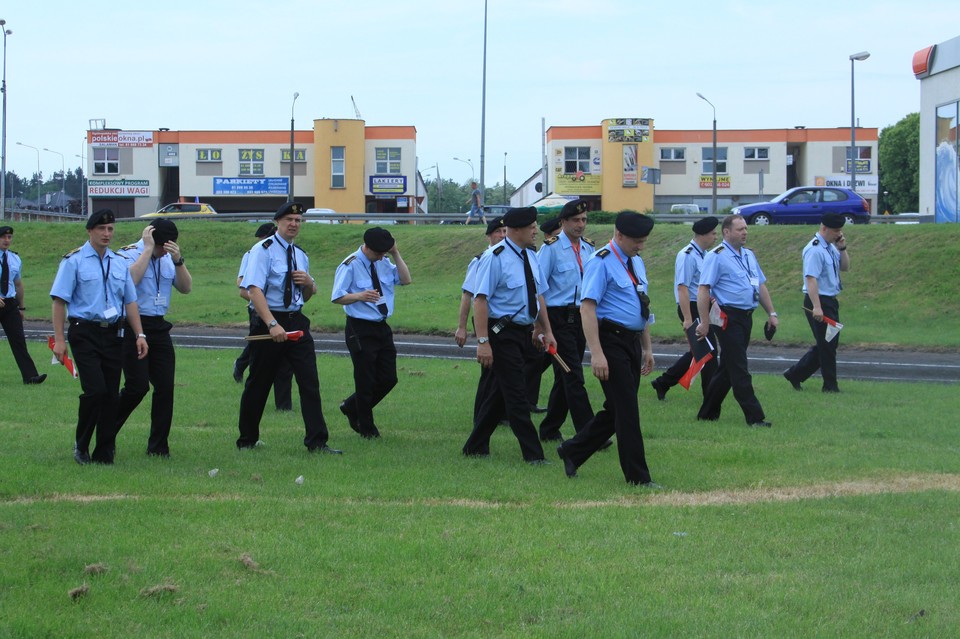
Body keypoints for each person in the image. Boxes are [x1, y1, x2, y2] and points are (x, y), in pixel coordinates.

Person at [556, 212, 661, 487]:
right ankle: (638, 477)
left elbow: (642, 305)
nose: (641, 246)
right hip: (610, 342)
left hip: (631, 341)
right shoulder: (600, 262)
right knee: (627, 410)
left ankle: (572, 450)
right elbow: (587, 309)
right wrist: (597, 354)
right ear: (619, 235)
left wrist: (647, 348)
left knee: (616, 408)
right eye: (637, 241)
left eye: (644, 241)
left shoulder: (635, 262)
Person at [236, 202, 341, 454]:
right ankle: (247, 440)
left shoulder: (301, 254)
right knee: (259, 383)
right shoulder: (263, 250)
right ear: (278, 222)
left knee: (309, 382)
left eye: (298, 220)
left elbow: (304, 297)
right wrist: (272, 323)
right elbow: (253, 290)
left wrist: (309, 283)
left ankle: (317, 442)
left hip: (296, 321)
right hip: (269, 320)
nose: (294, 224)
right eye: (289, 219)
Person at [50, 209, 149, 465]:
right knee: (95, 391)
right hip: (85, 332)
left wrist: (139, 334)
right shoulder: (73, 261)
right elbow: (59, 301)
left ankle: (104, 452)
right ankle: (81, 445)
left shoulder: (118, 262)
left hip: (114, 333)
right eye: (102, 229)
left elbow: (130, 301)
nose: (107, 234)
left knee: (111, 395)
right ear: (90, 231)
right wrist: (59, 340)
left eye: (110, 229)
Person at [462, 206, 555, 464]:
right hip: (501, 334)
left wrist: (544, 329)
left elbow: (538, 297)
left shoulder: (532, 256)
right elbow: (480, 301)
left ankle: (475, 445)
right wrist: (483, 342)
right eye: (531, 227)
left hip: (524, 332)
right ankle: (533, 454)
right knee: (516, 393)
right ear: (515, 230)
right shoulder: (495, 257)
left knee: (500, 393)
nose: (536, 230)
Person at [113, 219, 192, 457]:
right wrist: (147, 250)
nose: (161, 251)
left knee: (165, 388)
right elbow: (129, 283)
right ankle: (105, 429)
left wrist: (178, 260)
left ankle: (158, 447)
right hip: (133, 326)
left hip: (159, 328)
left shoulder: (169, 258)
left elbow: (186, 287)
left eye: (165, 247)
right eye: (159, 246)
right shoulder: (128, 254)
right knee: (136, 388)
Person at [695, 214, 779, 427]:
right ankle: (755, 417)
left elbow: (759, 285)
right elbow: (704, 289)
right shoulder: (717, 256)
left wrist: (771, 313)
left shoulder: (749, 255)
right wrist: (704, 322)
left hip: (746, 316)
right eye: (740, 229)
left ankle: (707, 413)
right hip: (727, 318)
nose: (745, 233)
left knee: (728, 368)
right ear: (726, 232)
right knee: (739, 367)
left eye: (745, 229)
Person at [331, 227, 412, 439]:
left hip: (381, 326)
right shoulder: (350, 264)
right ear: (366, 247)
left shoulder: (384, 261)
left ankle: (350, 406)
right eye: (378, 253)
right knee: (365, 380)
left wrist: (395, 253)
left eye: (384, 253)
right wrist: (359, 296)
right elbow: (337, 296)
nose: (381, 257)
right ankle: (367, 428)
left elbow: (405, 279)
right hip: (359, 327)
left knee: (389, 378)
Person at [536, 201, 596, 441]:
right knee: (573, 375)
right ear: (563, 222)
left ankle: (549, 429)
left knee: (564, 377)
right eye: (575, 220)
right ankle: (590, 433)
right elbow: (538, 289)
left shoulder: (589, 248)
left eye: (583, 220)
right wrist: (539, 326)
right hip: (558, 318)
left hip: (581, 317)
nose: (580, 225)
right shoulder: (550, 249)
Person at [650, 216, 719, 400]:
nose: (716, 237)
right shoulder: (687, 255)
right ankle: (710, 398)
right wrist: (688, 318)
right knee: (709, 352)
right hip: (692, 307)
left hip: (702, 306)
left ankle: (663, 382)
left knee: (702, 351)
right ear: (703, 234)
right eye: (713, 233)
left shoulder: (704, 254)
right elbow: (683, 288)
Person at [783, 212, 850, 392]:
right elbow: (810, 279)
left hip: (830, 301)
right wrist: (817, 307)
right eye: (835, 230)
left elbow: (845, 267)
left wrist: (842, 248)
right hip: (818, 301)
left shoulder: (830, 247)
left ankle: (795, 374)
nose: (838, 234)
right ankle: (830, 386)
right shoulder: (814, 249)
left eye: (840, 230)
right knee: (827, 346)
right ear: (824, 228)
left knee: (828, 344)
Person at [233, 222, 293, 410]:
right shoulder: (253, 253)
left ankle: (283, 405)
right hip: (259, 311)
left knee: (284, 358)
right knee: (259, 350)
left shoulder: (289, 253)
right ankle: (241, 366)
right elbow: (243, 285)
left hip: (283, 311)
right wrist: (259, 302)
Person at [525, 216, 563, 414]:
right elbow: (540, 291)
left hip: (555, 317)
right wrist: (539, 325)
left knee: (540, 360)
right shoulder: (543, 253)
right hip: (546, 316)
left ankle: (528, 398)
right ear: (549, 236)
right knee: (534, 360)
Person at [0, 225, 46, 385]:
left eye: (9, 237)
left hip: (10, 304)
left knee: (19, 340)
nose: (7, 240)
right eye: (3, 237)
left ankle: (30, 376)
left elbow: (18, 284)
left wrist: (21, 307)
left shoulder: (14, 259)